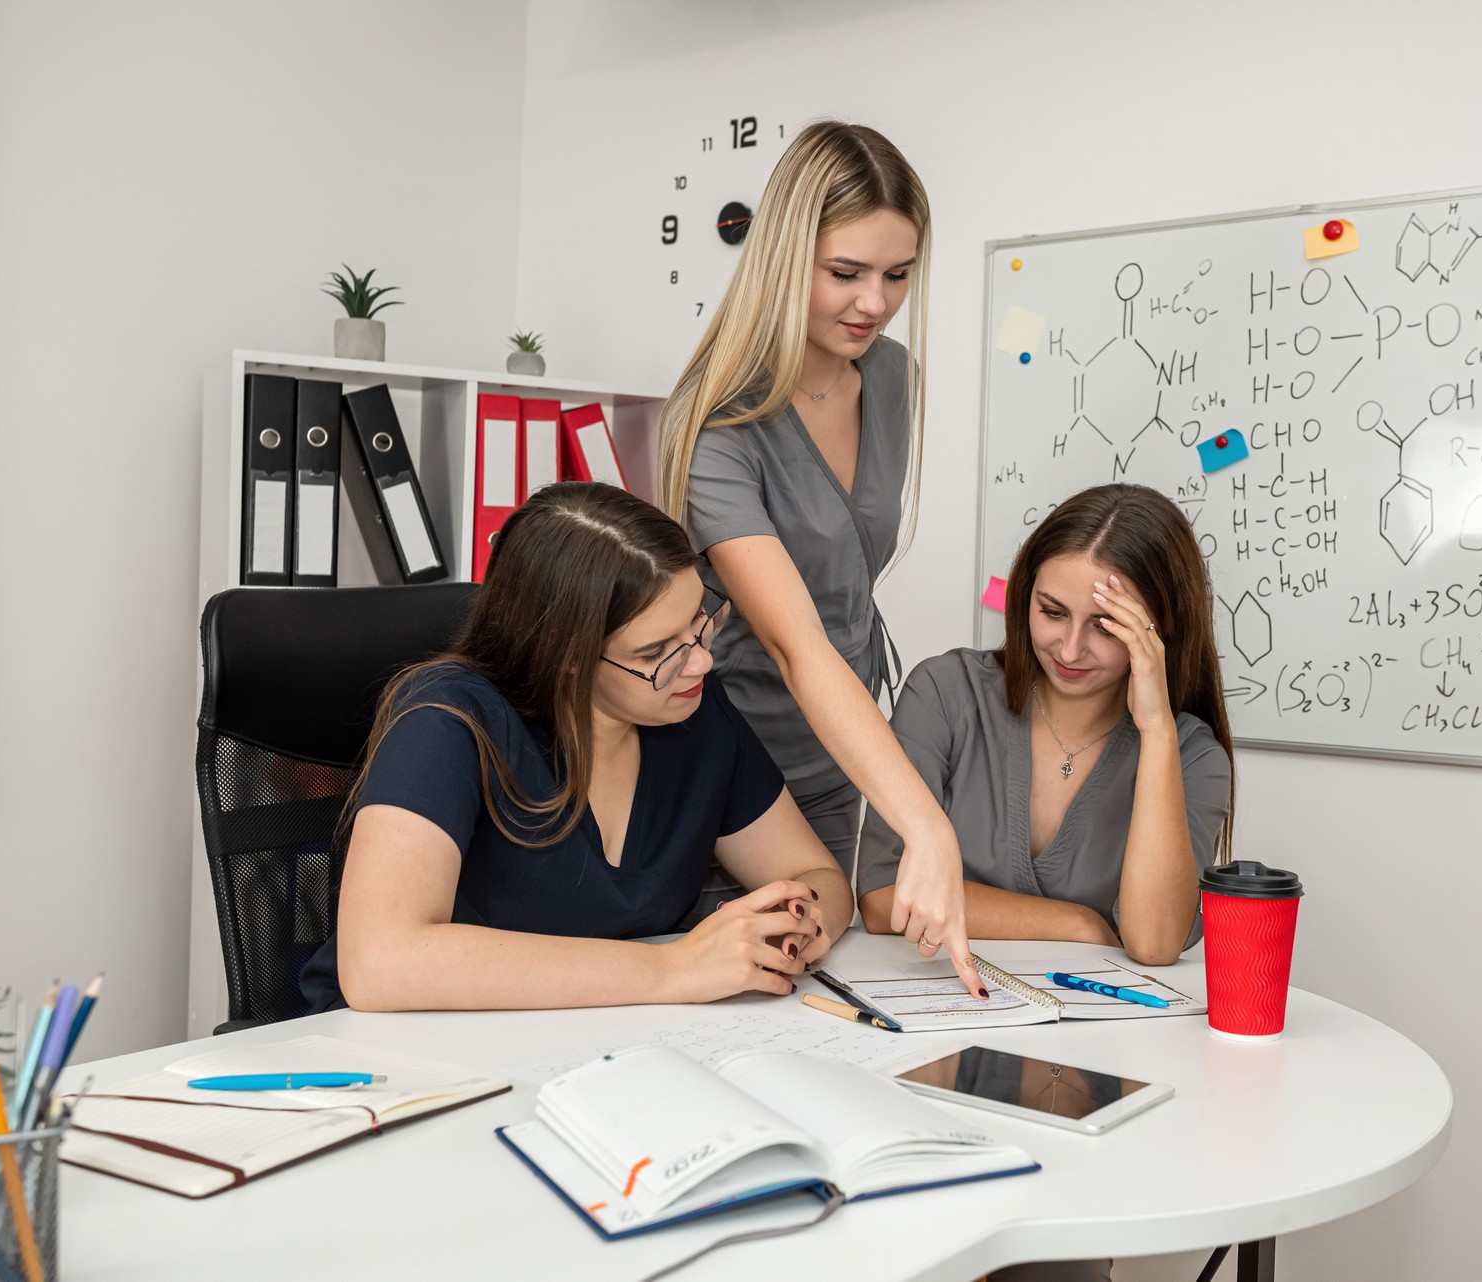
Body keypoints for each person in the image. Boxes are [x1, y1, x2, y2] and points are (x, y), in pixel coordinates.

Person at [297, 482, 851, 1013]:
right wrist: (673, 969)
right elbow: (379, 963)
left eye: (699, 623)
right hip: (403, 1064)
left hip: (589, 1049)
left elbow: (815, 874)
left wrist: (799, 922)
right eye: (657, 650)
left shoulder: (694, 712)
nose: (700, 660)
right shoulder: (447, 721)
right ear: (567, 656)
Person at [656, 119, 982, 993]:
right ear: (784, 259)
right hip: (726, 777)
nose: (873, 302)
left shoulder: (893, 377)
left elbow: (848, 592)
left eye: (898, 275)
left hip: (838, 764)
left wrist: (893, 797)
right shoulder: (717, 425)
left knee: (816, 1000)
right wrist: (927, 824)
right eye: (845, 273)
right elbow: (799, 645)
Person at [855, 484, 1234, 966]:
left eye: (1105, 625)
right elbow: (882, 895)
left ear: (1161, 629)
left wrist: (1157, 729)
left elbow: (1155, 943)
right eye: (1052, 613)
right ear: (1025, 598)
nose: (1070, 649)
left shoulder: (1192, 755)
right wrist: (1078, 924)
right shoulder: (945, 693)